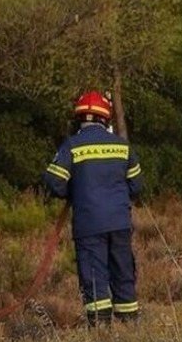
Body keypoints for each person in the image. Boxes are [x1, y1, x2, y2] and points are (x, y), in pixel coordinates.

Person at [43, 91, 143, 326]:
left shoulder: (72, 146)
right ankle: (130, 328)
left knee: (94, 277)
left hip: (89, 224)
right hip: (119, 222)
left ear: (79, 119)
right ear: (105, 119)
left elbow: (53, 181)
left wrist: (73, 193)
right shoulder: (122, 146)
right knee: (123, 274)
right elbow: (137, 185)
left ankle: (101, 332)